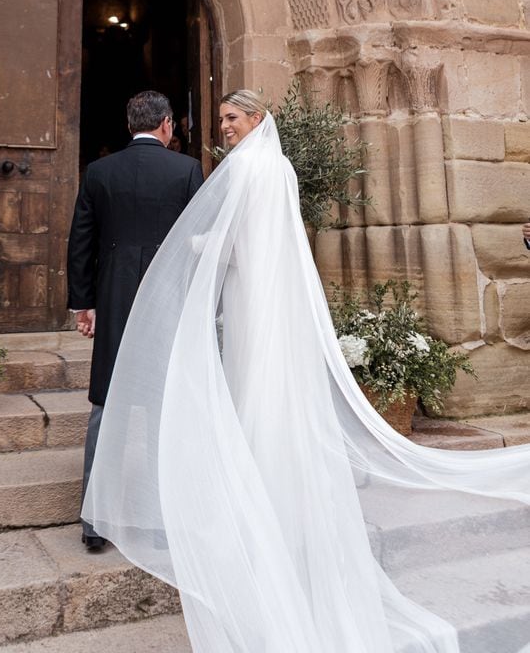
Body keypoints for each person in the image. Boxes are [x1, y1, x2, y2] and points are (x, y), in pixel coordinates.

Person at [83, 90, 530, 649]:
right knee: (267, 392)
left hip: (251, 301)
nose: (223, 127)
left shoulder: (246, 168)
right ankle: (271, 493)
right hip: (267, 300)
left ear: (258, 119)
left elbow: (230, 244)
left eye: (232, 118)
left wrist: (191, 244)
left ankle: (254, 504)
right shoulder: (281, 167)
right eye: (220, 119)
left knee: (253, 387)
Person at [67, 90, 203, 549]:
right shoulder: (185, 170)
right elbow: (196, 240)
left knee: (107, 404)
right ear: (166, 123)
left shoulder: (100, 172)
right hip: (170, 299)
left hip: (115, 293)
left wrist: (84, 303)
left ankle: (94, 521)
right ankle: (161, 515)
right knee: (164, 403)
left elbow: (81, 241)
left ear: (131, 126)